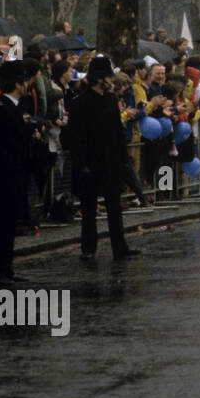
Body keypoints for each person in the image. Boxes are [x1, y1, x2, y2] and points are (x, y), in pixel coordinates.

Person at [66, 56, 141, 262]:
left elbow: (117, 131)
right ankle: (88, 248)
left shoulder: (110, 100)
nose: (111, 81)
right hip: (90, 162)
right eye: (109, 77)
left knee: (114, 207)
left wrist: (124, 159)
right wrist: (81, 163)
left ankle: (120, 247)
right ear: (100, 78)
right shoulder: (80, 102)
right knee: (89, 209)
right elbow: (76, 137)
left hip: (111, 162)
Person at [0, 61, 30, 285]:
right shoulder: (2, 111)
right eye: (24, 81)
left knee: (10, 226)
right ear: (18, 84)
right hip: (4, 178)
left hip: (13, 176)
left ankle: (6, 268)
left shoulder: (11, 108)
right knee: (3, 227)